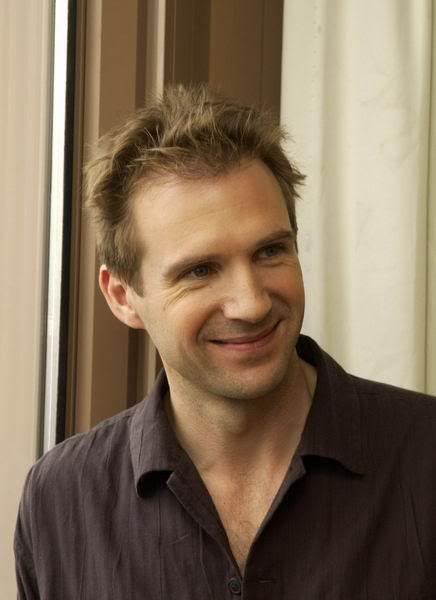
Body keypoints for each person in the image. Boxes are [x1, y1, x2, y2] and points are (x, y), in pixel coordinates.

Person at [15, 85, 436, 599]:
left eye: (270, 252)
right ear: (123, 297)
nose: (251, 304)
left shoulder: (426, 458)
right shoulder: (59, 500)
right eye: (200, 270)